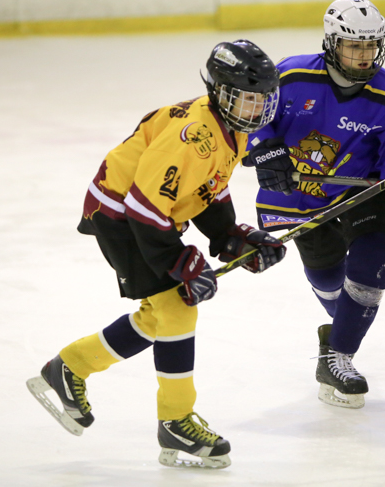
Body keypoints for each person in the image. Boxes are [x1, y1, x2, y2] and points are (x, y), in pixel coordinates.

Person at [26, 40, 287, 468]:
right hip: (121, 216)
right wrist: (177, 261)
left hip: (146, 215)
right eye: (248, 98)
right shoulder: (192, 136)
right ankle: (176, 421)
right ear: (221, 93)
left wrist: (231, 237)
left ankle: (69, 367)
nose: (257, 109)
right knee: (177, 309)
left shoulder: (231, 128)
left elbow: (208, 187)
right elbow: (143, 207)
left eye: (262, 99)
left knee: (161, 315)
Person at [243, 0, 385, 409]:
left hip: (358, 190)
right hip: (298, 196)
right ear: (331, 43)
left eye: (371, 45)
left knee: (375, 263)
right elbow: (252, 116)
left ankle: (337, 356)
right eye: (354, 46)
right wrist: (265, 149)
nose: (364, 55)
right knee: (328, 283)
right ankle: (340, 329)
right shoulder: (291, 75)